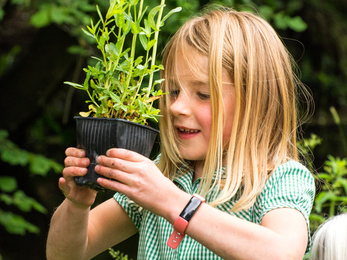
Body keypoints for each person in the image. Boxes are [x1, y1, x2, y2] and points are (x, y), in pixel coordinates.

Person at [46, 6, 315, 260]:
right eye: (173, 91)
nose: (176, 106)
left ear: (256, 103)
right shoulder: (166, 174)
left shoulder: (278, 178)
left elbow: (282, 253)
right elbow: (66, 254)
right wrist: (77, 206)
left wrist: (168, 200)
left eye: (203, 94)